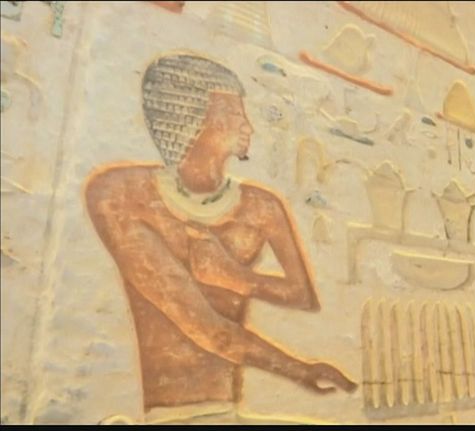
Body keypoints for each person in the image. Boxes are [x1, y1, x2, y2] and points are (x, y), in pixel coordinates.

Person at [84, 53, 356, 415]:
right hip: (173, 414)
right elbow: (207, 329)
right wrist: (299, 370)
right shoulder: (121, 194)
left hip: (226, 407)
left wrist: (237, 278)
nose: (247, 126)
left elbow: (302, 295)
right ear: (189, 121)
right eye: (232, 114)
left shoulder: (262, 206)